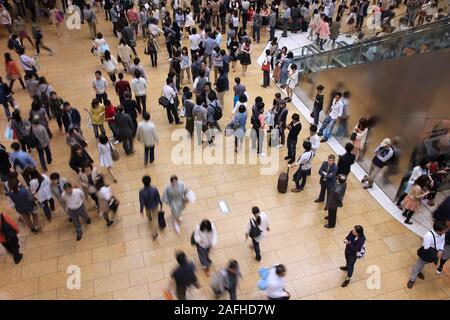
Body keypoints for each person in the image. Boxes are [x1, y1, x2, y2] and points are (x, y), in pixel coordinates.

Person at [407, 220, 447, 289]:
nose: (446, 231)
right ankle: (412, 279)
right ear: (439, 231)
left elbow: (442, 241)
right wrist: (436, 254)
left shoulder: (442, 234)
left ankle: (419, 271)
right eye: (444, 230)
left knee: (423, 265)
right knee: (418, 266)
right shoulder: (428, 235)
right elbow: (426, 247)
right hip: (427, 254)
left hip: (435, 253)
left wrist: (440, 249)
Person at [139, 175, 163, 240]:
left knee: (148, 214)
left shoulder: (141, 192)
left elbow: (142, 202)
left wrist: (141, 211)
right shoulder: (154, 189)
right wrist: (160, 203)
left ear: (143, 182)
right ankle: (154, 234)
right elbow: (158, 198)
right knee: (155, 220)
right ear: (150, 181)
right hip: (155, 206)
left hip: (147, 207)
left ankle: (149, 217)